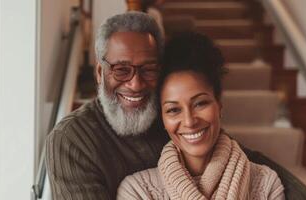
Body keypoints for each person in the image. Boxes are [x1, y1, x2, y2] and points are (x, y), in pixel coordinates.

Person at [117, 31, 286, 199]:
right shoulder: (137, 191)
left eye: (200, 103)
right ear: (162, 117)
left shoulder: (266, 184)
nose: (189, 121)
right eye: (174, 110)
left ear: (219, 104)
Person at [45, 11, 169, 199]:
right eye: (121, 70)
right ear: (99, 73)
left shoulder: (177, 120)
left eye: (148, 69)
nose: (135, 84)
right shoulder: (71, 139)